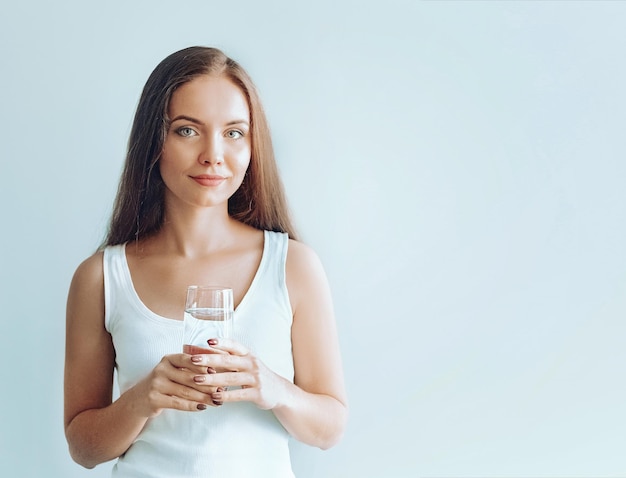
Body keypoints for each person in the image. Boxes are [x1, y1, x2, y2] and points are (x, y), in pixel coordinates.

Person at [64, 46, 347, 478]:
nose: (213, 155)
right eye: (187, 131)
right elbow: (84, 449)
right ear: (153, 141)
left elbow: (329, 429)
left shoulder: (292, 266)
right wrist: (142, 400)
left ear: (254, 144)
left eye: (234, 132)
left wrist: (272, 388)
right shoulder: (101, 278)